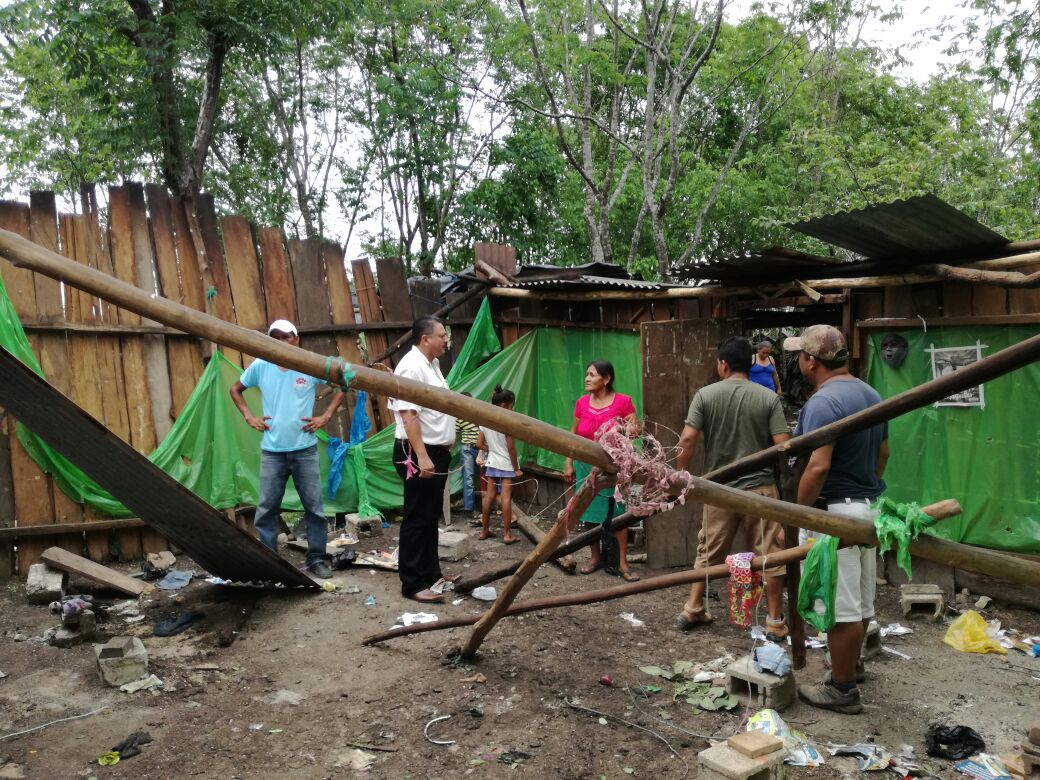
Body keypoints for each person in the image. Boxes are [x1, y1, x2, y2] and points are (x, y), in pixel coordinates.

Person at [784, 324, 889, 715]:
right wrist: (867, 483)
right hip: (866, 508)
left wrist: (796, 514)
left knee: (840, 605)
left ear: (811, 361)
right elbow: (885, 454)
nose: (798, 361)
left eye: (800, 355)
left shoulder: (823, 403)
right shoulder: (869, 393)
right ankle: (853, 665)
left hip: (837, 512)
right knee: (859, 599)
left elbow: (817, 466)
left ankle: (842, 689)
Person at [673, 337, 792, 637]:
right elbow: (783, 446)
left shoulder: (706, 395)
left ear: (723, 365)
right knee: (770, 556)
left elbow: (687, 439)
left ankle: (693, 608)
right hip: (761, 491)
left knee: (708, 553)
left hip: (719, 490)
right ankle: (775, 621)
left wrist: (680, 476)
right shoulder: (768, 398)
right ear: (751, 364)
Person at [229, 319, 344, 579]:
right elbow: (235, 389)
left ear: (296, 339)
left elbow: (342, 385)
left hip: (304, 450)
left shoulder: (308, 364)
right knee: (267, 508)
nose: (282, 342)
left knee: (314, 508)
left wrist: (325, 416)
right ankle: (269, 562)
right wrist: (249, 416)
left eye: (286, 336)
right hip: (272, 451)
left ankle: (316, 558)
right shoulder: (261, 365)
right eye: (276, 337)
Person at [390, 316, 459, 604]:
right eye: (442, 335)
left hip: (435, 451)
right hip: (418, 452)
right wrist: (422, 456)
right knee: (417, 518)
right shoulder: (410, 366)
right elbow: (409, 414)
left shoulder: (431, 364)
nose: (446, 340)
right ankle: (413, 582)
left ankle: (432, 573)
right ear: (425, 339)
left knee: (430, 517)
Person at [563, 360, 641, 582]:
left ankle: (622, 563)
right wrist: (568, 463)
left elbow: (636, 430)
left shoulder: (623, 402)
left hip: (613, 467)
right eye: (586, 374)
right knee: (588, 514)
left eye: (592, 375)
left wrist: (623, 427)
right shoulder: (581, 404)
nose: (587, 378)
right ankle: (595, 558)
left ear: (606, 379)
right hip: (585, 466)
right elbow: (573, 435)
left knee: (618, 514)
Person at [476, 385, 523, 544]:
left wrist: (493, 449)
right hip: (506, 465)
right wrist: (516, 469)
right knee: (506, 498)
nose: (512, 409)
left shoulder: (486, 421)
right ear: (504, 405)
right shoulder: (507, 422)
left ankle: (484, 531)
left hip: (492, 463)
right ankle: (507, 534)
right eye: (512, 406)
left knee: (489, 496)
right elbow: (511, 448)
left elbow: (479, 444)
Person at [456, 393, 480, 522]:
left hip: (481, 449)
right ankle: (469, 509)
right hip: (467, 449)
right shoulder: (460, 417)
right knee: (469, 478)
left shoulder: (479, 414)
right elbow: (455, 434)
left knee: (485, 478)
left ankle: (491, 506)